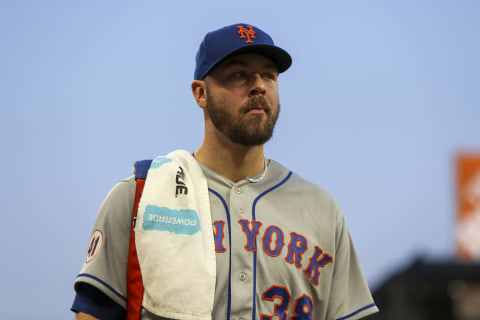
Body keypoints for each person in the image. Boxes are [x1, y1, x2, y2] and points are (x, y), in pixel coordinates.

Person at [72, 23, 379, 320]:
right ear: (200, 93)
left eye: (268, 76)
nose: (258, 85)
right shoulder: (140, 195)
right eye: (239, 75)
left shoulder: (321, 209)